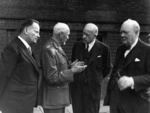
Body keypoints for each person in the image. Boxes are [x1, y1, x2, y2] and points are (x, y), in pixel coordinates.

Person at [105, 19, 150, 113]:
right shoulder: (120, 49)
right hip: (116, 105)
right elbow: (114, 72)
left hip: (136, 106)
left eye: (125, 32)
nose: (122, 35)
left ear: (137, 32)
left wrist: (132, 80)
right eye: (121, 32)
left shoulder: (147, 50)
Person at [40, 22, 87, 113]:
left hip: (57, 99)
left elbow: (58, 68)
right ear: (61, 34)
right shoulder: (49, 49)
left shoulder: (56, 47)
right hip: (53, 100)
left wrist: (70, 66)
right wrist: (72, 71)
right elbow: (51, 77)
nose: (68, 37)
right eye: (67, 35)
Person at [0, 19, 41, 113]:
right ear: (26, 30)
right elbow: (2, 76)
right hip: (14, 104)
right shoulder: (12, 48)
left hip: (25, 103)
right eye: (36, 32)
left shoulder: (27, 49)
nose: (38, 35)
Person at [70, 23, 111, 113]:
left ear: (95, 35)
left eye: (87, 34)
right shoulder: (76, 46)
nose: (84, 36)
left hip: (93, 92)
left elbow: (107, 68)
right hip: (77, 90)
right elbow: (73, 64)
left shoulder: (104, 49)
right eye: (83, 33)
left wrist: (96, 79)